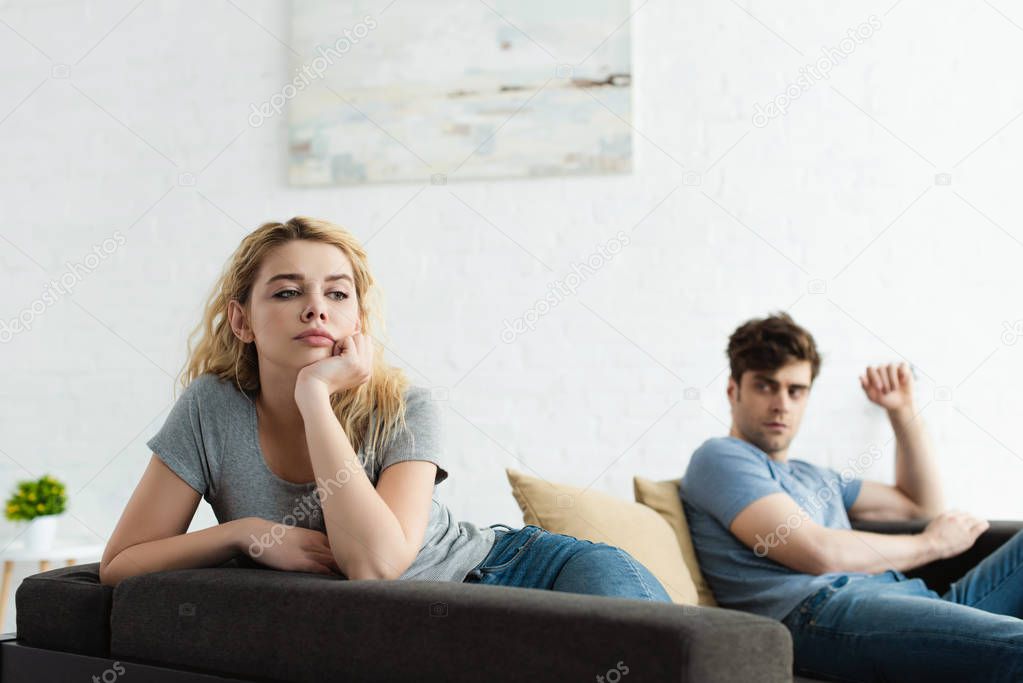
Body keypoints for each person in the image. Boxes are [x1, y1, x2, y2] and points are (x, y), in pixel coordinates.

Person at [99, 216, 670, 606]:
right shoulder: (211, 408)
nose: (315, 309)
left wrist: (314, 398)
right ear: (242, 321)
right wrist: (245, 534)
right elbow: (121, 564)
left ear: (357, 324)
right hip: (431, 619)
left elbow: (375, 563)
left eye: (337, 294)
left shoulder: (406, 407)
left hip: (528, 571)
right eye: (287, 291)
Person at [681, 311, 1023, 681]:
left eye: (795, 390)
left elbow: (921, 505)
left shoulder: (814, 475)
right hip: (821, 613)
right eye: (765, 386)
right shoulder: (720, 457)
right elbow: (818, 551)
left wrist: (902, 411)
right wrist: (932, 544)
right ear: (734, 391)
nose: (781, 403)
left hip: (906, 601)